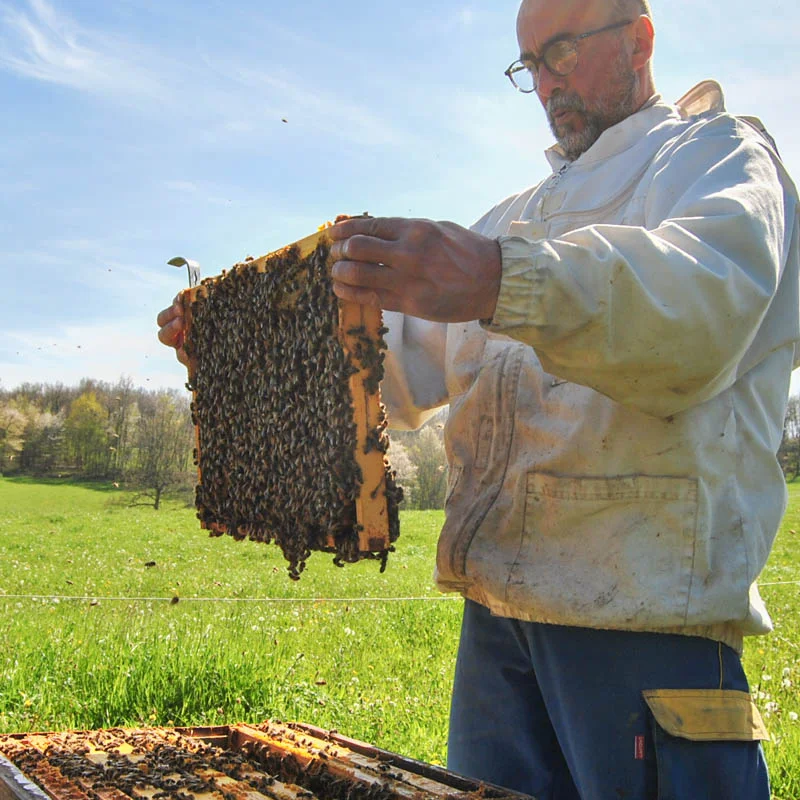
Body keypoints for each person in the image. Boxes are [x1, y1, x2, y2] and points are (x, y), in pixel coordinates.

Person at [158, 0, 799, 797]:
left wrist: (502, 279)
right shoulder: (514, 218)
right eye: (527, 65)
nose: (544, 82)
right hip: (496, 634)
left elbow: (696, 315)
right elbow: (381, 370)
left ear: (639, 39)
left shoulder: (719, 157)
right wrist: (230, 358)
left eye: (560, 52)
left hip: (648, 630)